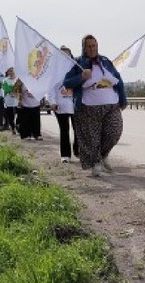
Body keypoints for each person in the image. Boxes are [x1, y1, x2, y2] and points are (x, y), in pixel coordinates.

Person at [62, 34, 127, 176]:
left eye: (95, 46)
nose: (93, 49)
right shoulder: (78, 63)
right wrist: (82, 77)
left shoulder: (105, 61)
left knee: (114, 132)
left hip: (111, 105)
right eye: (89, 46)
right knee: (92, 138)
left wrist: (122, 99)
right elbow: (66, 83)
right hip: (88, 108)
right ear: (84, 48)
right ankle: (96, 162)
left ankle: (103, 155)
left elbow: (118, 79)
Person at [52, 46, 80, 163]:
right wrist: (53, 102)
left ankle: (78, 150)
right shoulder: (54, 71)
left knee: (78, 130)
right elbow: (51, 88)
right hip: (60, 105)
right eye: (62, 54)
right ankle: (65, 155)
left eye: (67, 54)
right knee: (64, 130)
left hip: (75, 105)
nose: (65, 57)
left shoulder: (77, 68)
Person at [1, 67, 19, 134]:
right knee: (10, 116)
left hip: (17, 100)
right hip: (9, 100)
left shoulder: (18, 79)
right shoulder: (5, 80)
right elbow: (4, 89)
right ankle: (13, 128)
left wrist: (16, 93)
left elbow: (20, 88)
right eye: (9, 71)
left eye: (12, 71)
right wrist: (10, 92)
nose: (11, 72)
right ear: (7, 72)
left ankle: (17, 125)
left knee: (19, 115)